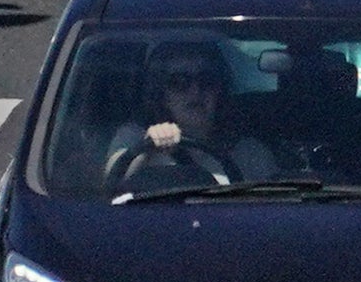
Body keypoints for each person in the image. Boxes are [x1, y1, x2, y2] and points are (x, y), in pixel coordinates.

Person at [106, 37, 282, 190]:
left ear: (219, 90)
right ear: (161, 93)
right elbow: (109, 185)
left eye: (207, 81)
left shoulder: (250, 153)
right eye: (180, 82)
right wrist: (147, 148)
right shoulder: (132, 138)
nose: (195, 91)